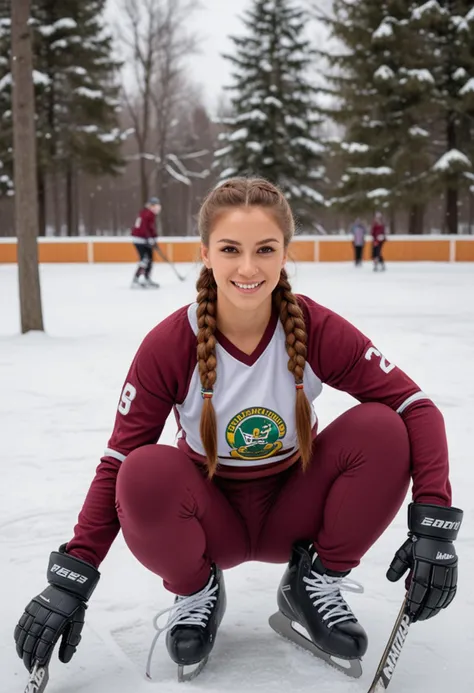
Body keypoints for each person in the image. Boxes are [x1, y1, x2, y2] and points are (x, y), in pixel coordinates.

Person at [14, 178, 462, 686]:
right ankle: (197, 590)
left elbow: (417, 405)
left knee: (385, 426)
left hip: (297, 510)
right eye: (231, 249)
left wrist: (436, 523)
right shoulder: (169, 344)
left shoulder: (314, 327)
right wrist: (73, 578)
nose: (248, 268)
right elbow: (116, 460)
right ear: (206, 253)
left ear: (285, 255)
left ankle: (314, 582)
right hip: (209, 519)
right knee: (141, 470)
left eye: (265, 249)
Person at [131, 196, 162, 288]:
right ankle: (136, 280)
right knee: (145, 259)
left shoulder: (145, 213)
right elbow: (145, 227)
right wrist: (150, 238)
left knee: (149, 259)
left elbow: (149, 228)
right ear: (150, 206)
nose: (156, 207)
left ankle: (146, 278)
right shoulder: (148, 213)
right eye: (154, 205)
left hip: (143, 239)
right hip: (141, 239)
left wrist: (153, 237)